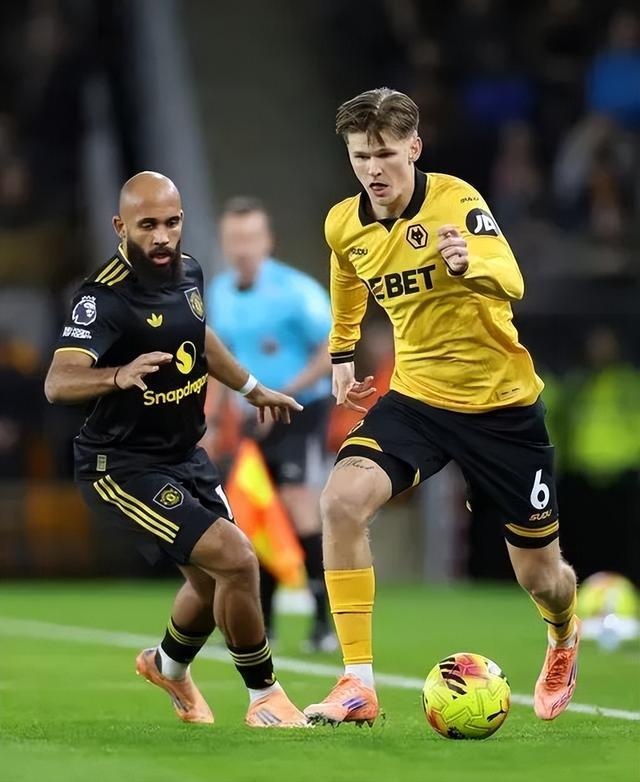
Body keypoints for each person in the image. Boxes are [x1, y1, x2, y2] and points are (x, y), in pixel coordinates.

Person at [303, 88, 580, 725]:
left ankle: (564, 633)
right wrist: (342, 350)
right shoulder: (344, 221)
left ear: (414, 148)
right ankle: (356, 684)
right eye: (360, 156)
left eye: (385, 154)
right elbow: (346, 273)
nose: (373, 169)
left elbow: (512, 279)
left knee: (541, 577)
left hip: (501, 407)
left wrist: (469, 263)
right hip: (419, 401)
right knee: (340, 501)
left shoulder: (456, 201)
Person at [44, 171, 308, 728]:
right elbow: (58, 381)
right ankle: (265, 696)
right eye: (148, 225)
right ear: (120, 227)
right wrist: (117, 375)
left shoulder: (189, 271)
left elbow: (199, 335)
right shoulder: (103, 296)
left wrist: (252, 388)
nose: (163, 236)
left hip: (184, 456)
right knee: (238, 559)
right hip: (121, 466)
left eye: (171, 222)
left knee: (212, 582)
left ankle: (166, 665)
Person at [207, 197, 336, 652]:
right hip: (251, 417)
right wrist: (212, 417)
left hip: (301, 410)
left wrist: (282, 393)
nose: (242, 248)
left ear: (268, 241)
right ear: (224, 243)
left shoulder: (296, 291)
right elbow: (220, 360)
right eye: (234, 239)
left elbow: (333, 347)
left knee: (299, 504)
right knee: (253, 510)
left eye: (251, 238)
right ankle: (264, 623)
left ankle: (324, 622)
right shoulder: (219, 293)